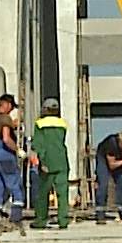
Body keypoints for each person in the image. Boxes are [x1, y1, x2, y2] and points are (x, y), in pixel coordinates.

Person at [28, 97, 71, 230]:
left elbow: (38, 144)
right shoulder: (62, 123)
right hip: (62, 161)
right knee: (62, 194)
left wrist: (41, 161)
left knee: (43, 193)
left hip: (48, 161)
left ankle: (41, 220)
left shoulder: (40, 124)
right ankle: (63, 220)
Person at [0, 93, 24, 221]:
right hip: (5, 156)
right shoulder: (5, 119)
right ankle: (16, 216)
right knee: (14, 184)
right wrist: (18, 150)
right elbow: (6, 138)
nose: (12, 110)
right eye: (11, 107)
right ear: (6, 105)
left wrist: (13, 125)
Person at [94, 128, 122, 223]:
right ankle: (100, 214)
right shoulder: (111, 144)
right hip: (104, 158)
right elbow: (112, 166)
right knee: (103, 184)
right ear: (119, 140)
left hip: (119, 159)